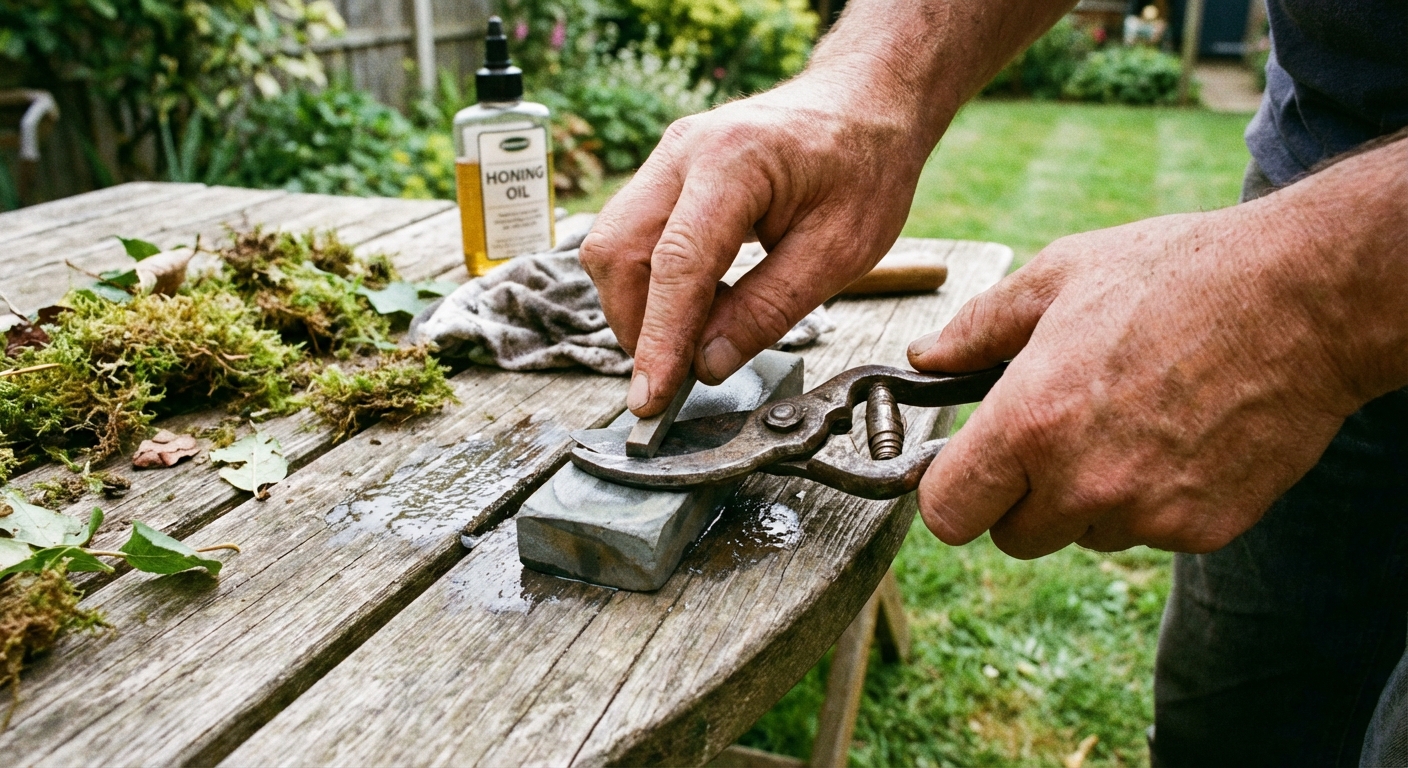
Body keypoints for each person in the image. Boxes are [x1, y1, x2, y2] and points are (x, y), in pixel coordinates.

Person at [577, 0, 1407, 764]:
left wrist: (1315, 300)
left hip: (1342, 245)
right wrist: (874, 82)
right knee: (1235, 720)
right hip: (1316, 162)